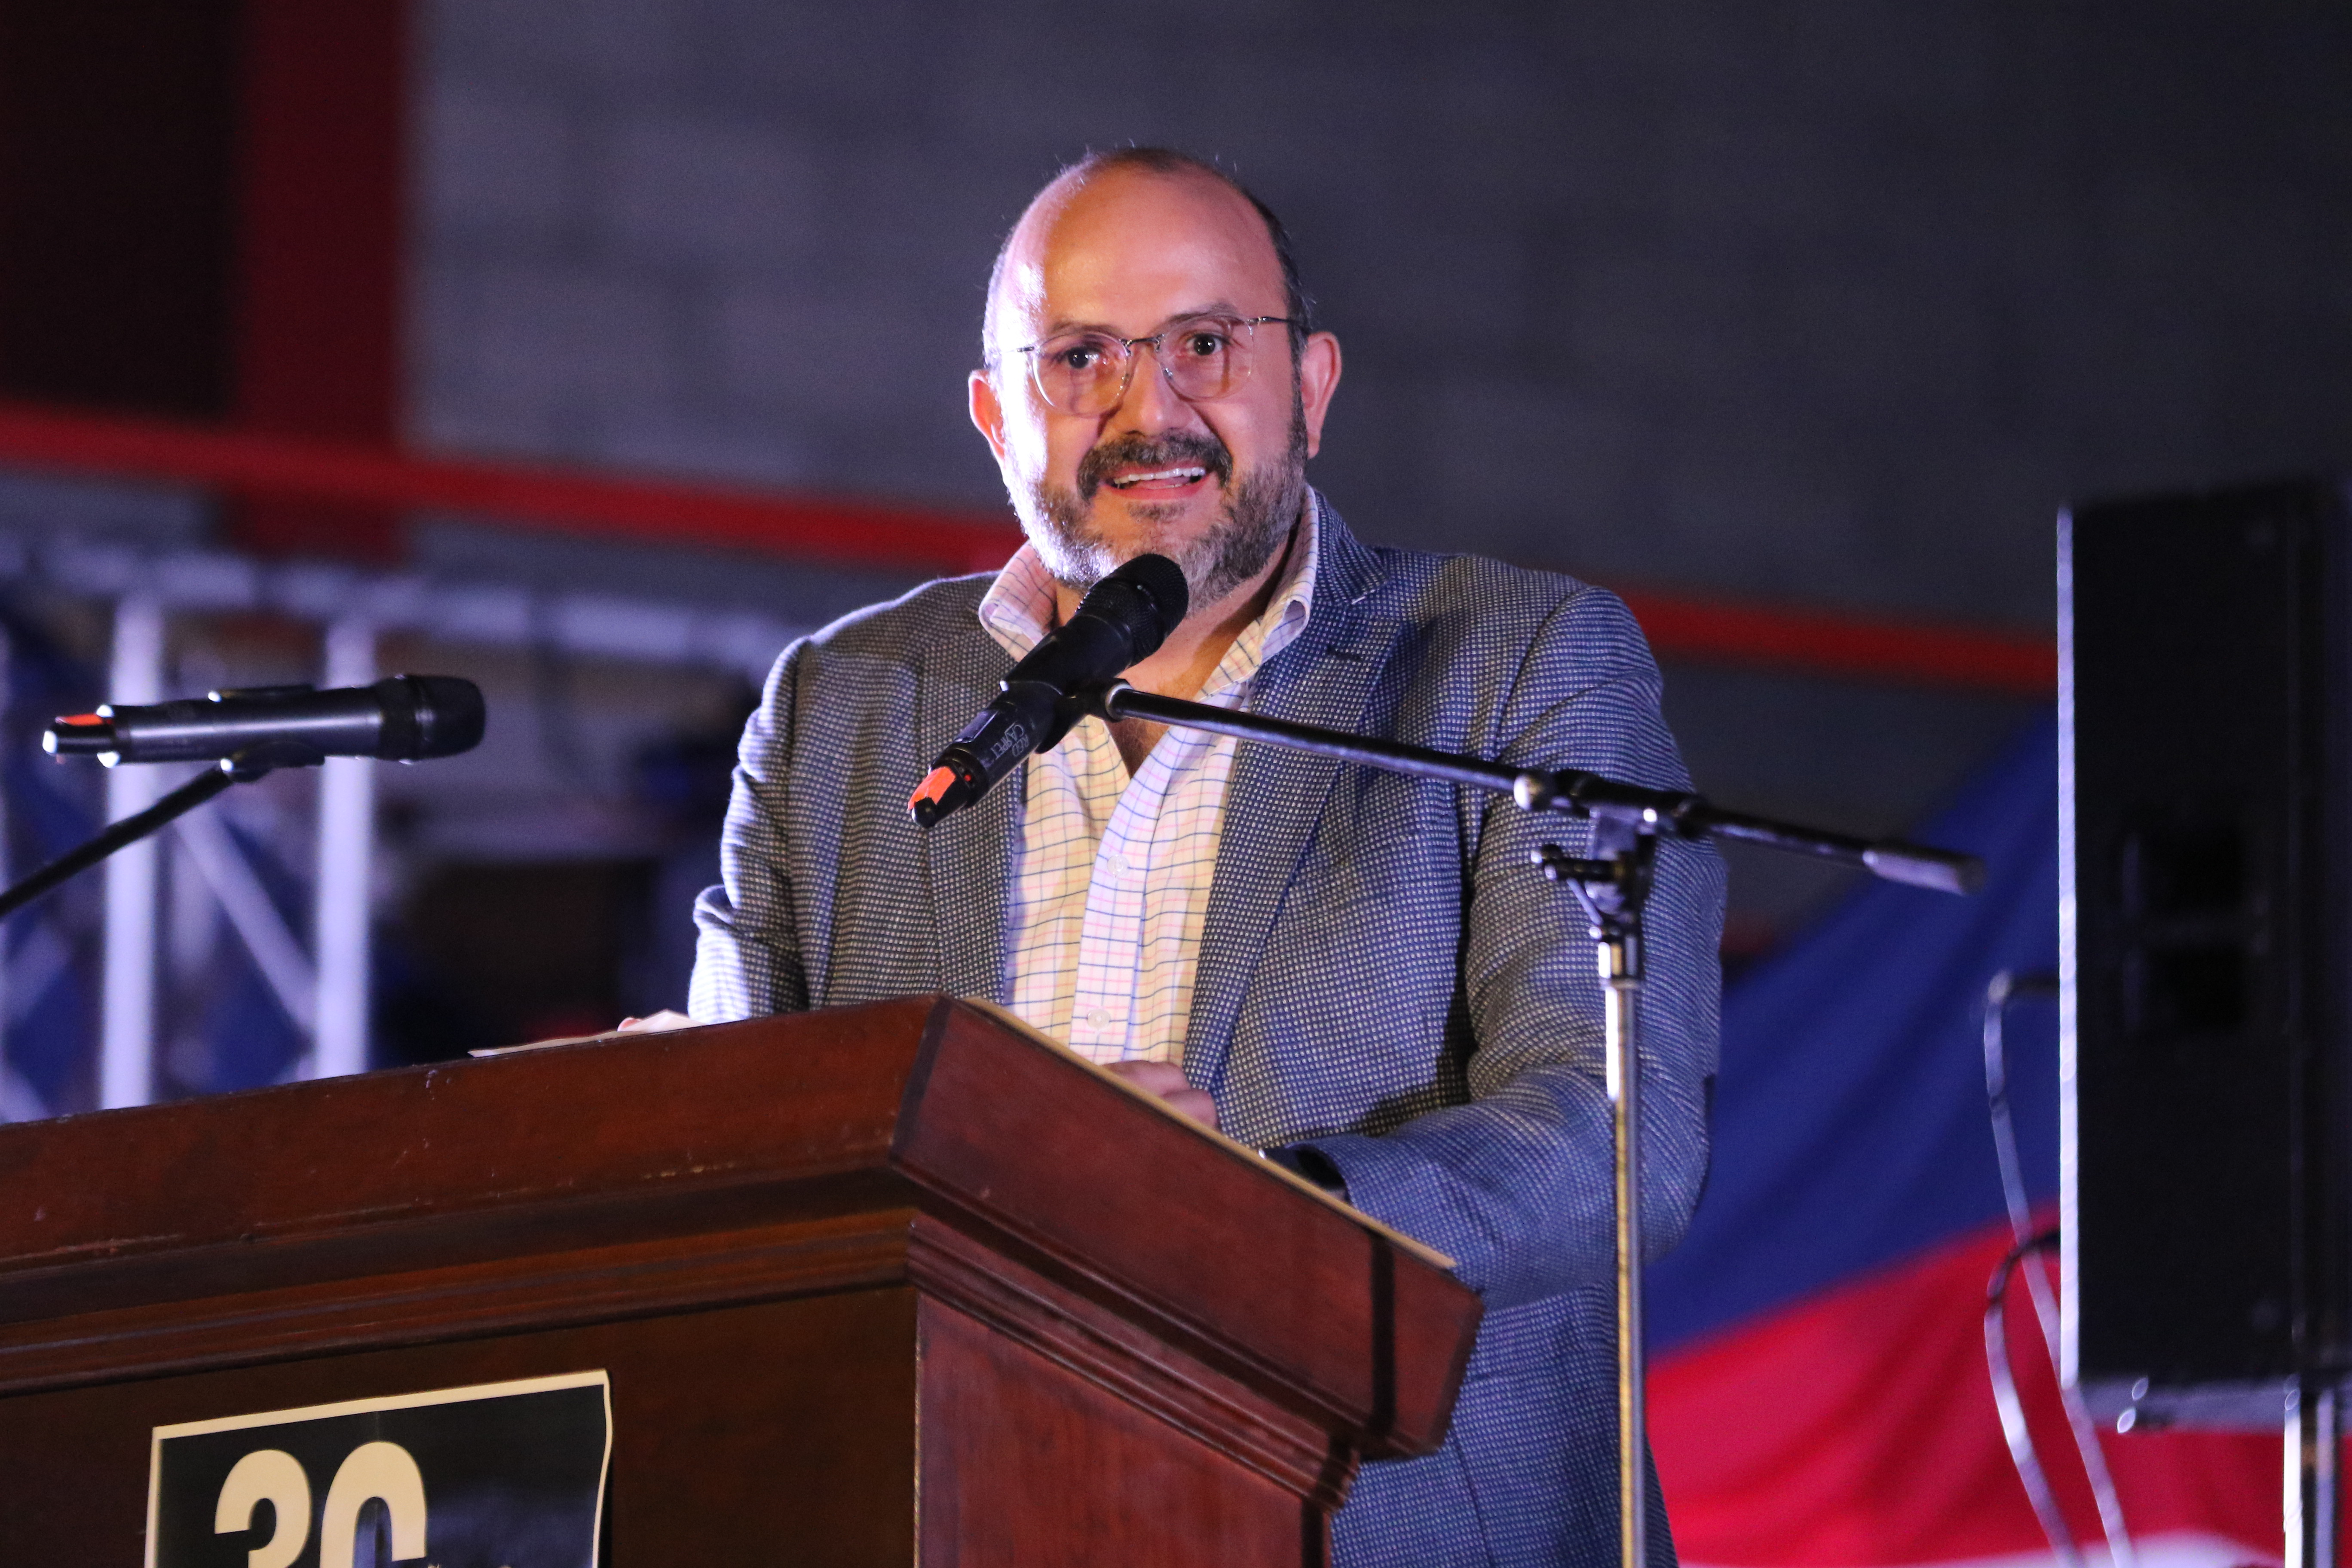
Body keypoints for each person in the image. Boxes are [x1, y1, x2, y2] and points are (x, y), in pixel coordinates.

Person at [691, 147, 1725, 1568]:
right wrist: (678, 1121)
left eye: (1204, 344)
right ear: (996, 415)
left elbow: (1616, 1143)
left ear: (1311, 385)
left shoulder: (1518, 663)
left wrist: (1237, 1215)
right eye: (1082, 359)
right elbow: (750, 1143)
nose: (1149, 411)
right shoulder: (846, 703)